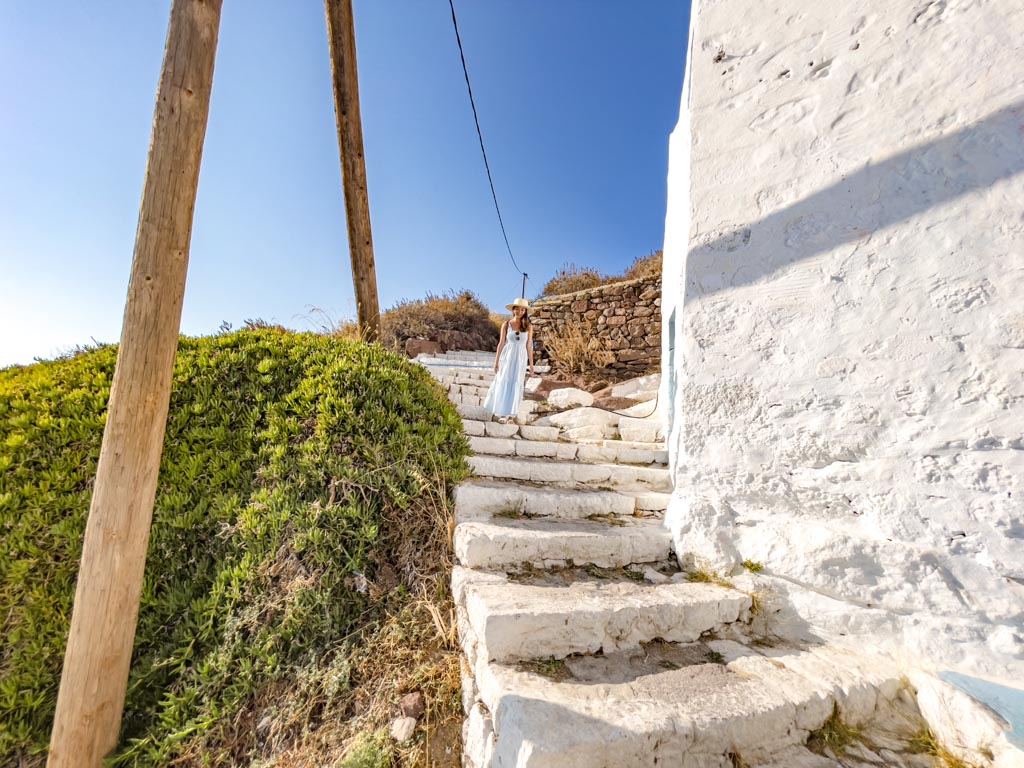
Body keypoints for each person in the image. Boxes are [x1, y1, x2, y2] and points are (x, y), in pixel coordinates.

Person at [483, 297, 535, 423]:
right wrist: (496, 362)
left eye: (522, 310)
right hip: (508, 356)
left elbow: (529, 346)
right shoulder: (506, 324)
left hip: (521, 357)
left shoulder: (528, 326)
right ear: (513, 310)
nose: (520, 312)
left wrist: (531, 365)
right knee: (504, 380)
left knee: (516, 382)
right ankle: (503, 413)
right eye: (517, 309)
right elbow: (501, 343)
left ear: (525, 311)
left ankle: (512, 413)